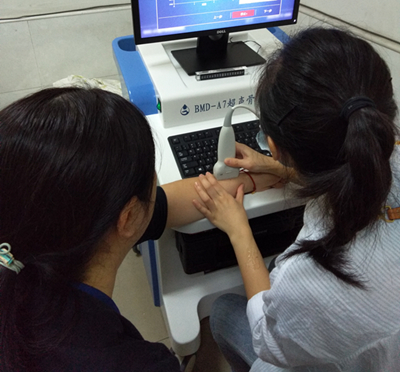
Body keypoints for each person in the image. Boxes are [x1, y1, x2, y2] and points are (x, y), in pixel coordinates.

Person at [0, 86, 281, 372]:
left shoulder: (31, 235)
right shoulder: (138, 362)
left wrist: (258, 180)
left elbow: (172, 201)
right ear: (129, 217)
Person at [192, 27, 400, 372]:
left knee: (225, 311)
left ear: (273, 145)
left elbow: (266, 339)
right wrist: (284, 169)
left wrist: (238, 230)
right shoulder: (387, 149)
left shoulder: (310, 278)